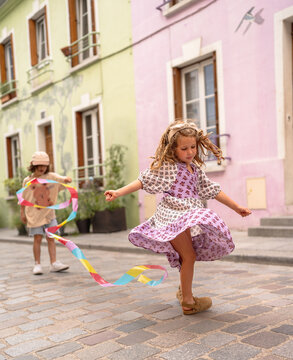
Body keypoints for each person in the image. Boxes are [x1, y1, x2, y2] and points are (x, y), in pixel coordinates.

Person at [104, 120, 251, 315]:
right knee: (189, 255)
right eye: (184, 148)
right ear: (173, 149)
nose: (190, 152)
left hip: (187, 216)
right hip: (173, 217)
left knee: (187, 256)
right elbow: (143, 180)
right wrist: (118, 192)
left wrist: (236, 207)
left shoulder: (195, 170)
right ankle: (188, 302)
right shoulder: (170, 167)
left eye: (193, 147)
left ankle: (185, 292)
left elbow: (212, 190)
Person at [20, 151, 72, 275]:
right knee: (37, 238)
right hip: (34, 214)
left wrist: (66, 179)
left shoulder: (50, 177)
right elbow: (23, 198)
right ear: (33, 165)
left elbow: (60, 179)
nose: (42, 168)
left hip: (49, 214)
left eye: (44, 165)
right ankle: (37, 264)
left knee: (51, 237)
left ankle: (53, 263)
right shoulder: (27, 180)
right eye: (39, 165)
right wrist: (22, 213)